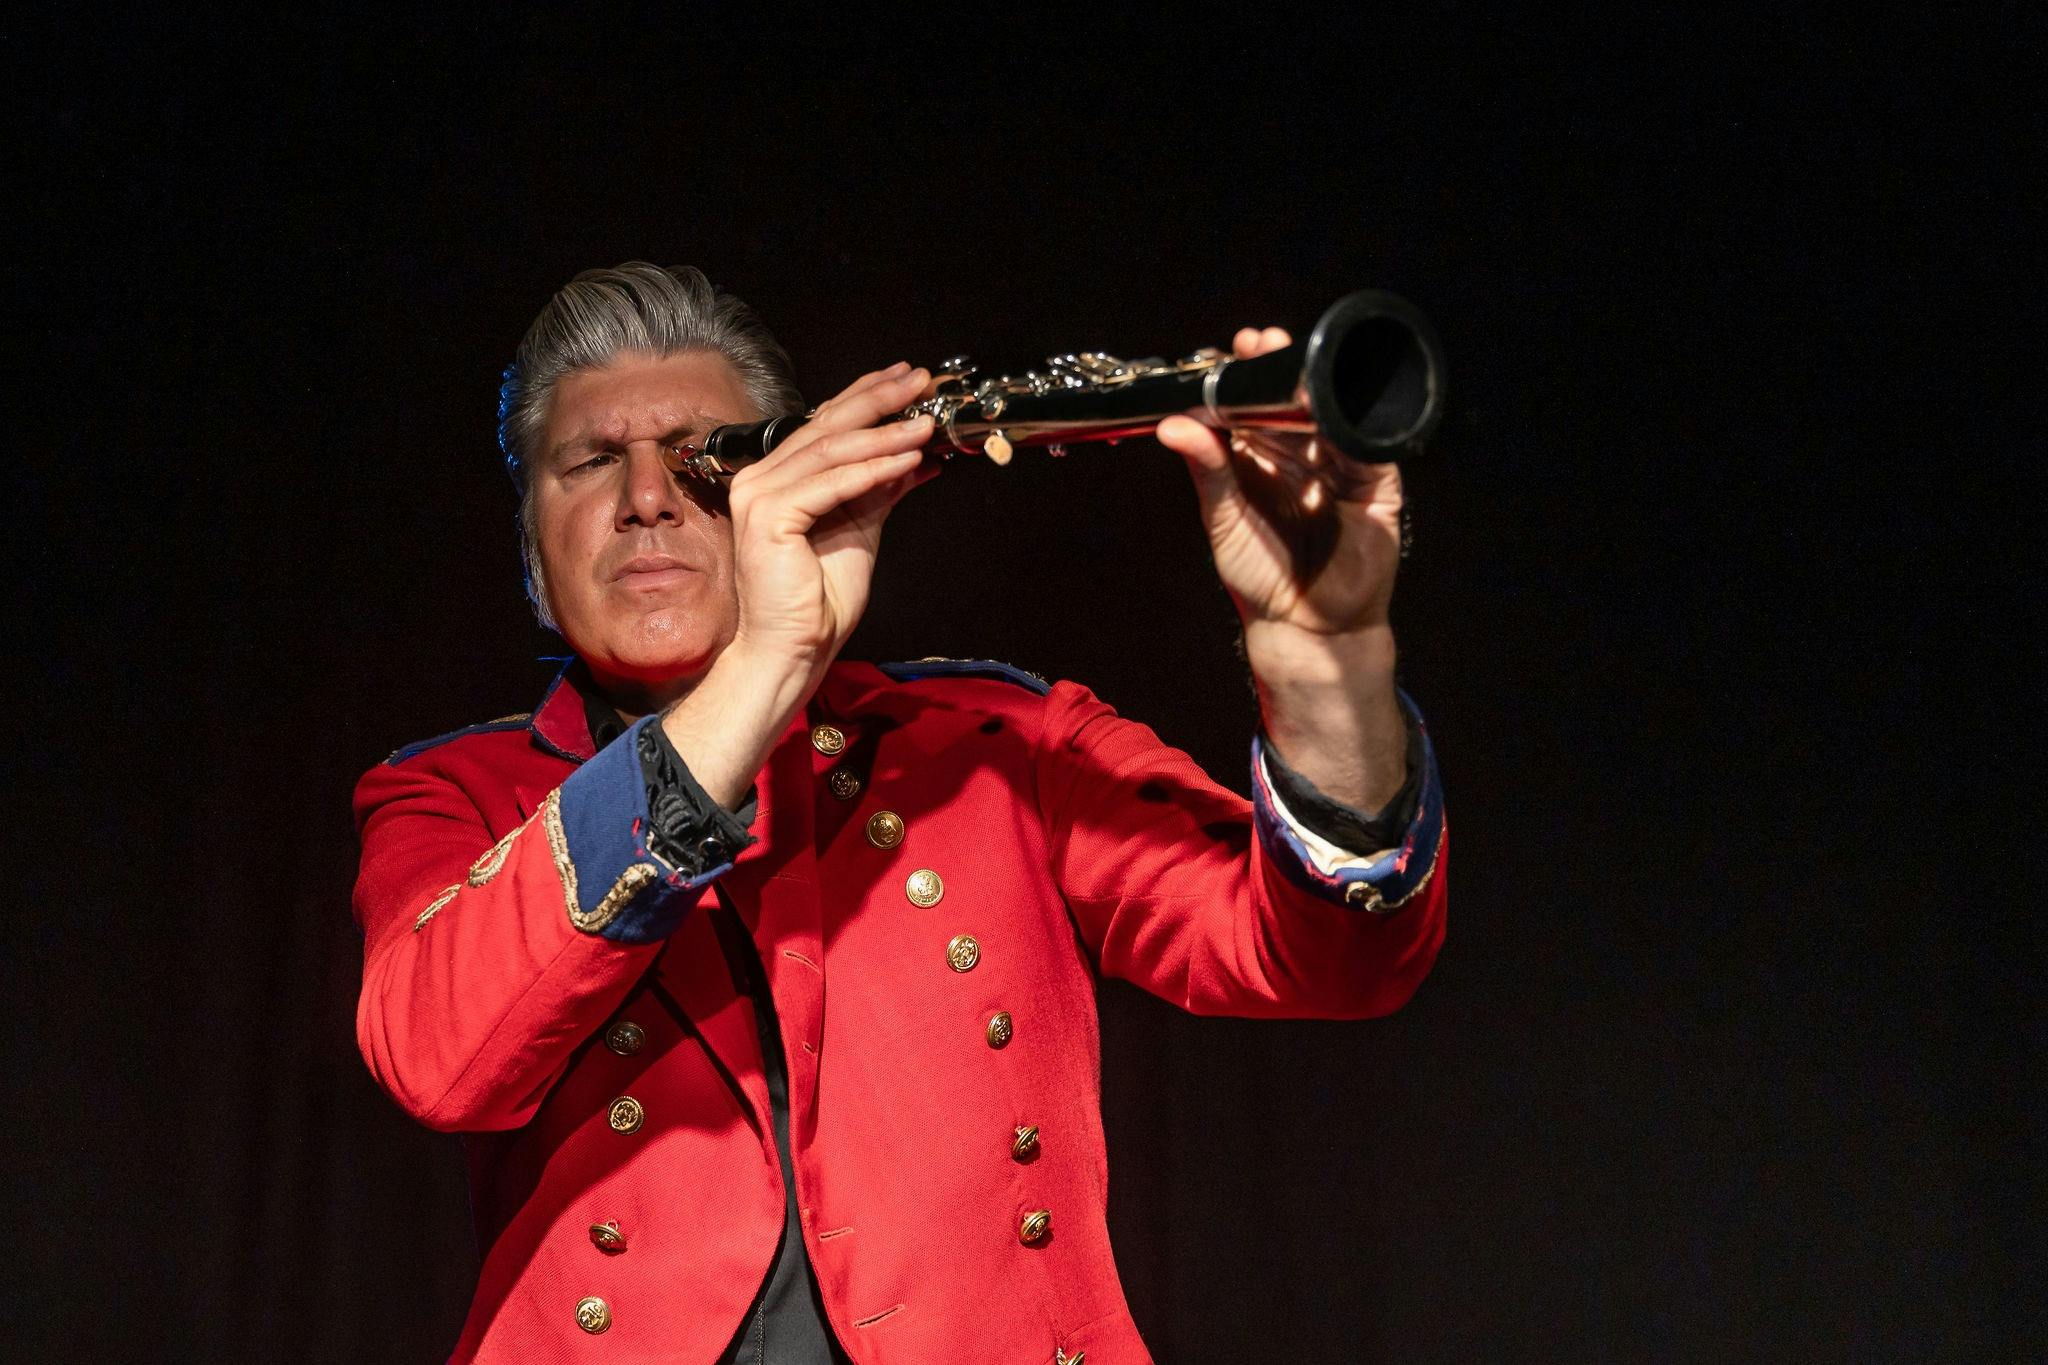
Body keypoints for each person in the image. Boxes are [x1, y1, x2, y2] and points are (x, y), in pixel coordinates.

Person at [350, 263, 1447, 1364]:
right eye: (590, 463)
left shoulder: (995, 741)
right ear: (530, 547)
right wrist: (770, 660)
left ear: (795, 479)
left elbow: (1330, 958)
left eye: (702, 457)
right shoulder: (452, 793)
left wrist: (1323, 653)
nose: (646, 498)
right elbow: (440, 1061)